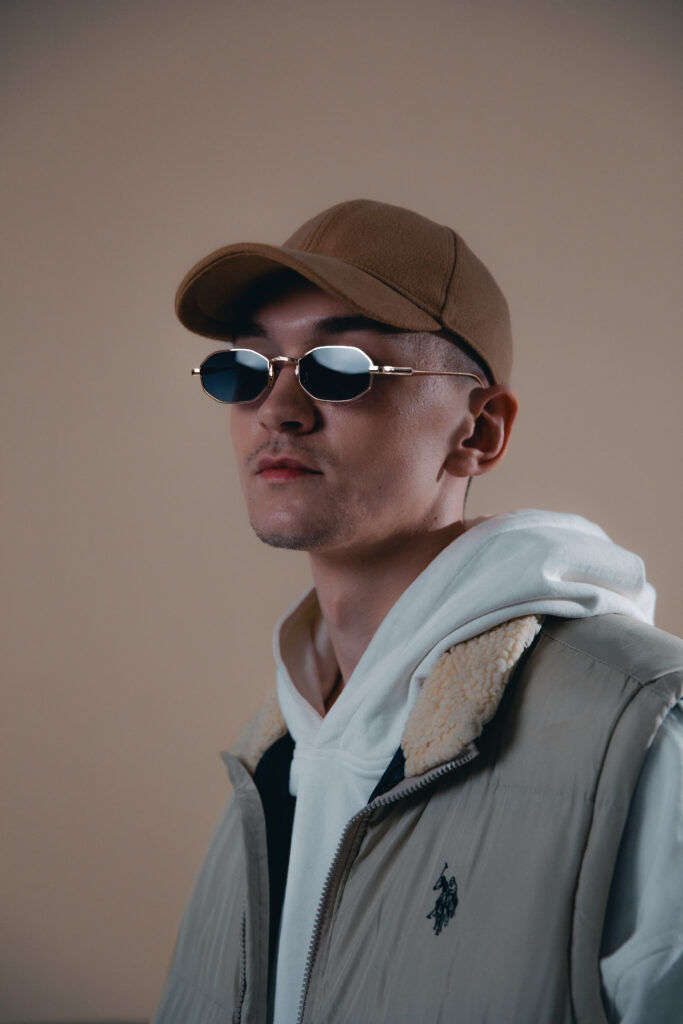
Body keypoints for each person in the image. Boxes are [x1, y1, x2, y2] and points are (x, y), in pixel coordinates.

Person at [154, 199, 683, 1024]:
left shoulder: (635, 729)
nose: (277, 408)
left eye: (339, 367)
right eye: (246, 369)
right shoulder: (268, 763)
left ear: (479, 430)